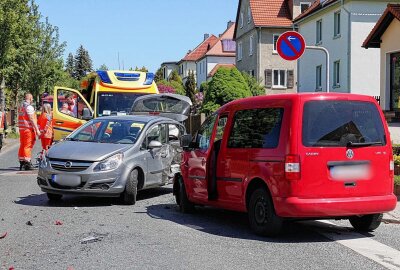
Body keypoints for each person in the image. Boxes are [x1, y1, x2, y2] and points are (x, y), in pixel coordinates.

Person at [18, 93, 40, 170]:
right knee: (28, 145)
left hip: (22, 129)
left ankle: (22, 161)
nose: (32, 100)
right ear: (30, 99)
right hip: (28, 129)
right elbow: (31, 119)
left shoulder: (21, 107)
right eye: (32, 99)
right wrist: (37, 129)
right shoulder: (29, 107)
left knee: (23, 145)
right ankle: (27, 163)